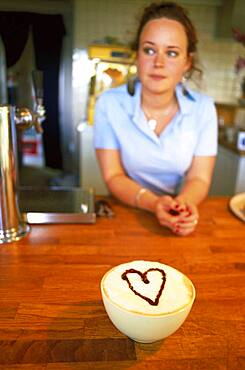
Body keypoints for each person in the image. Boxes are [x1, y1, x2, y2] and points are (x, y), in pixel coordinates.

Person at [93, 1, 218, 236]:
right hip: (126, 212)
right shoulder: (109, 104)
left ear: (187, 62)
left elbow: (199, 178)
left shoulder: (204, 108)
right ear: (137, 55)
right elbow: (113, 175)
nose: (158, 63)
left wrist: (181, 207)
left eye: (172, 52)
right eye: (149, 50)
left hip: (176, 214)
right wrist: (153, 203)